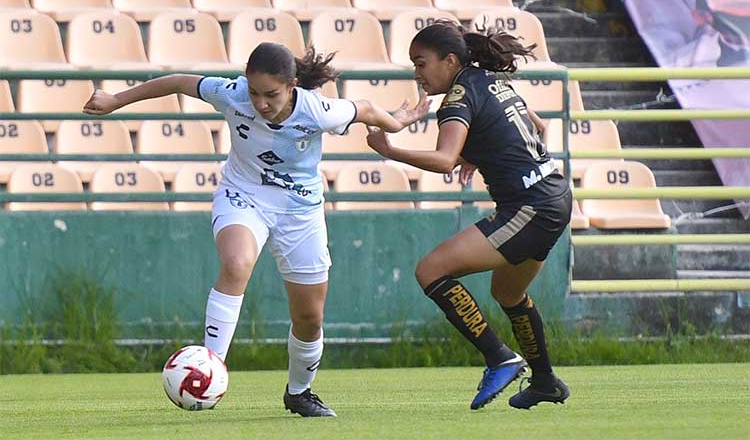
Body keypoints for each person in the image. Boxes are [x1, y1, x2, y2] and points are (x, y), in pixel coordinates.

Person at [83, 42, 429, 417]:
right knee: (236, 264)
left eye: (271, 95)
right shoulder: (232, 94)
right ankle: (208, 368)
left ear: (293, 85)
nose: (261, 104)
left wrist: (399, 122)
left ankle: (299, 392)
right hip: (242, 195)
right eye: (254, 92)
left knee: (310, 318)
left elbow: (366, 110)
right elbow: (179, 82)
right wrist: (117, 99)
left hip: (300, 211)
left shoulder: (319, 110)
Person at [365, 21, 572, 410]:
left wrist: (390, 151)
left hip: (529, 206)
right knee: (508, 293)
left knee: (431, 270)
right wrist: (482, 154)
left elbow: (444, 161)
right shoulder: (488, 80)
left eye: (421, 63)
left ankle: (500, 357)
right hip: (554, 195)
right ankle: (544, 381)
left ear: (450, 61)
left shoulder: (458, 98)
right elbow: (538, 126)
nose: (417, 73)